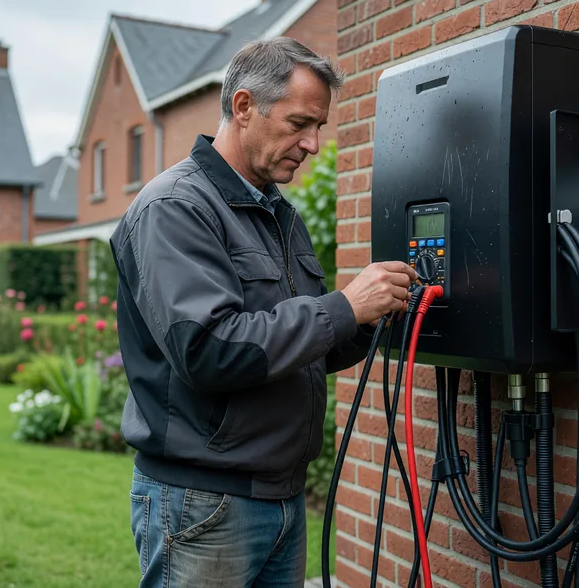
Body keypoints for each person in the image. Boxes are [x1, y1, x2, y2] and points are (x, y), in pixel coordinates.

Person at [110, 36, 417, 587]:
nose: (314, 144)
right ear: (245, 106)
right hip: (203, 504)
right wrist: (344, 306)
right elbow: (211, 349)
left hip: (280, 499)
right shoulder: (175, 207)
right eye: (301, 123)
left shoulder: (275, 213)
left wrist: (366, 318)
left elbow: (292, 350)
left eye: (319, 127)